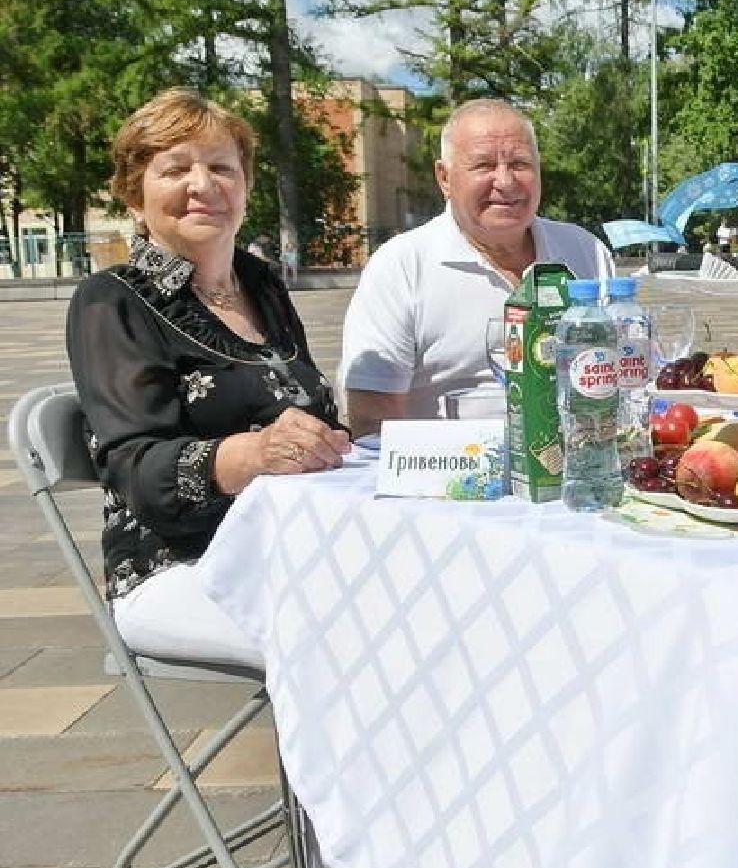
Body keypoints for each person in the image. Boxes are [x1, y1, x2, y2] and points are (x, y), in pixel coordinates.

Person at [68, 89, 350, 667]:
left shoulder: (262, 287)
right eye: (176, 169)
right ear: (135, 195)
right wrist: (256, 454)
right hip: (178, 566)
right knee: (353, 640)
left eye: (222, 167)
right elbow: (138, 471)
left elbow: (315, 418)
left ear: (244, 186)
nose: (203, 184)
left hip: (293, 548)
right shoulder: (114, 300)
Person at [338, 98, 614, 435]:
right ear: (444, 178)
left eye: (520, 163)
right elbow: (371, 420)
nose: (506, 181)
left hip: (577, 461)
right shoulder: (402, 266)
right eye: (484, 165)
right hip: (451, 465)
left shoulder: (584, 251)